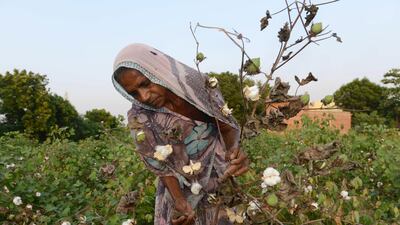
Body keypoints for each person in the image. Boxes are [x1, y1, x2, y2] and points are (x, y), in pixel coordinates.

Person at [112, 43, 249, 225]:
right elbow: (161, 166)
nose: (144, 96)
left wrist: (234, 151)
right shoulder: (140, 118)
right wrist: (179, 201)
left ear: (157, 70)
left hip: (221, 181)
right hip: (180, 191)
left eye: (145, 84)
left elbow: (225, 125)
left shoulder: (199, 86)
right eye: (135, 93)